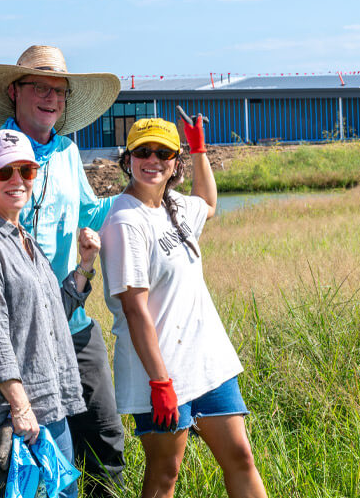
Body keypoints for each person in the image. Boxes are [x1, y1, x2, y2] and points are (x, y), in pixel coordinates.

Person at [0, 45, 124, 494]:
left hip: (71, 317)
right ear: (14, 91)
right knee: (27, 446)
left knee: (104, 434)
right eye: (40, 86)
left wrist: (146, 191)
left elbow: (92, 213)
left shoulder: (69, 152)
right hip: (19, 332)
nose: (51, 97)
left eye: (59, 90)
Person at [99, 117, 267, 498]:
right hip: (160, 371)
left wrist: (200, 149)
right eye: (143, 152)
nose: (152, 160)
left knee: (241, 456)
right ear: (128, 159)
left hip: (207, 363)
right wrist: (160, 383)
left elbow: (207, 203)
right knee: (165, 473)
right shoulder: (126, 220)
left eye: (164, 153)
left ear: (176, 161)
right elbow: (134, 309)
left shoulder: (172, 205)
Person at [0, 129, 97, 498]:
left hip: (47, 405)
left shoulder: (23, 238)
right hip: (11, 416)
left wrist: (85, 265)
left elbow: (49, 318)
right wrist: (20, 407)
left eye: (26, 171)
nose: (17, 180)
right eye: (4, 172)